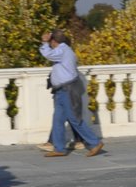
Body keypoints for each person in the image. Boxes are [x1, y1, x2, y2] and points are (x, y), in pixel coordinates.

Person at [40, 30, 105, 158]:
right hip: (61, 90)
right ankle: (59, 148)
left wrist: (44, 42)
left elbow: (47, 54)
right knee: (57, 120)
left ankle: (95, 142)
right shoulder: (64, 50)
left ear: (54, 41)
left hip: (68, 91)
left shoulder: (63, 50)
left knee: (74, 119)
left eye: (51, 40)